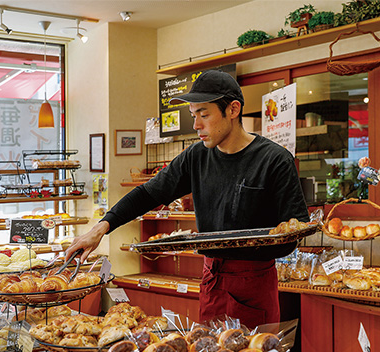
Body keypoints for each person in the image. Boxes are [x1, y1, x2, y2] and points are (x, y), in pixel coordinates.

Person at [66, 69, 309, 328]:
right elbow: (148, 193)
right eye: (194, 116)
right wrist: (101, 229)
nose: (196, 125)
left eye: (204, 114)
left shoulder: (274, 160)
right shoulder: (196, 156)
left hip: (253, 284)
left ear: (233, 109)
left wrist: (246, 245)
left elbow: (294, 231)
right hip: (211, 279)